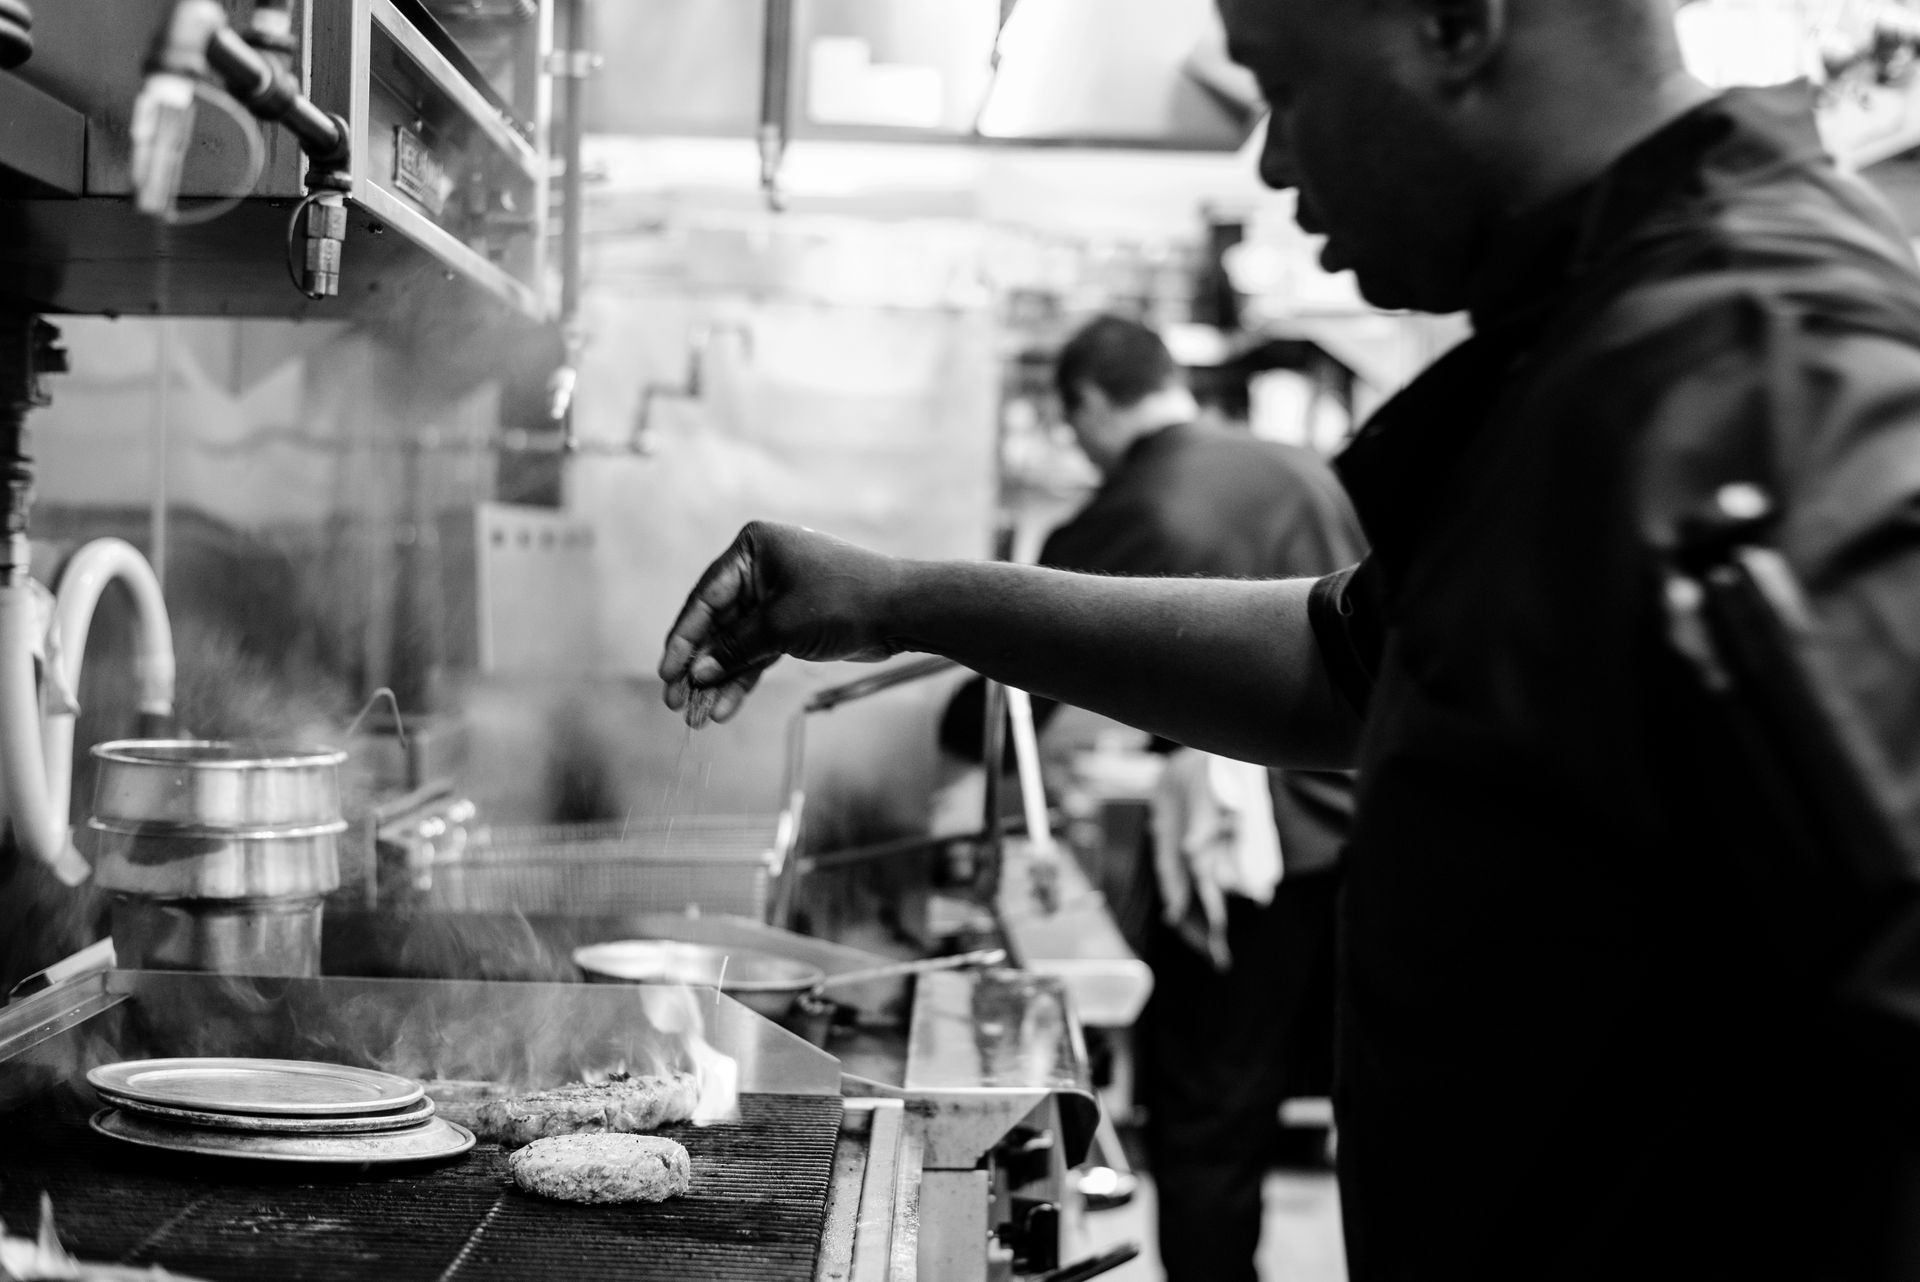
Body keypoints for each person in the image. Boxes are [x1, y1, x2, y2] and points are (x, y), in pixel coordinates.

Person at [657, 1, 1920, 1277]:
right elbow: (1341, 662)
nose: (1270, 161)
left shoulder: (1763, 384)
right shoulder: (1601, 357)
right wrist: (896, 598)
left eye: (1283, 84)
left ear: (1455, 24)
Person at [934, 314, 1363, 1282]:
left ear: (1087, 401)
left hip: (1251, 857)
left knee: (1208, 1108)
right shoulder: (1299, 466)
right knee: (1345, 1100)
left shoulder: (1136, 501)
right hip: (1367, 832)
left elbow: (1016, 673)